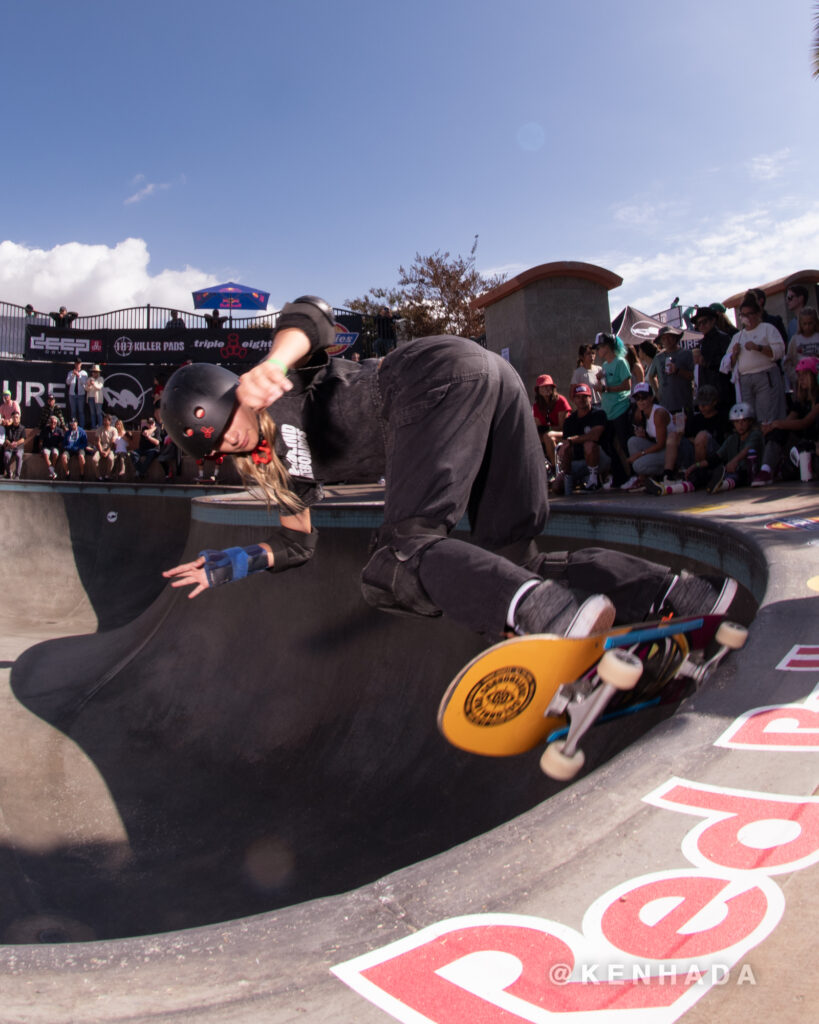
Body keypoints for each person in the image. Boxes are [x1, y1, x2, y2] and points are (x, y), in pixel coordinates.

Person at [160, 296, 738, 640]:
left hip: (433, 376)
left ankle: (550, 620)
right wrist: (237, 560)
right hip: (489, 391)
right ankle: (674, 595)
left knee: (399, 558)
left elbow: (313, 314)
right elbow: (298, 547)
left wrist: (276, 359)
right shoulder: (278, 474)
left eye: (227, 427)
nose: (233, 445)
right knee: (513, 560)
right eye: (220, 451)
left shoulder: (283, 382)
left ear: (233, 394)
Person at [755, 357, 819, 486]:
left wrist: (777, 423)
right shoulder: (801, 400)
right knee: (778, 430)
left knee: (779, 426)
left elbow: (805, 422)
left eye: (805, 374)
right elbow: (789, 421)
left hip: (815, 443)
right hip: (802, 442)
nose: (801, 379)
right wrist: (772, 426)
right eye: (799, 375)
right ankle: (766, 470)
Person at [727, 295, 786, 426]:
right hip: (745, 380)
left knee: (767, 416)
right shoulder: (737, 336)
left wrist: (758, 347)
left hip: (765, 376)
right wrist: (734, 355)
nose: (746, 318)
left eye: (749, 314)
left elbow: (779, 351)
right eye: (743, 315)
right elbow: (728, 364)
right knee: (750, 417)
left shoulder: (767, 328)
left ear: (758, 313)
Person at [554, 383, 610, 493]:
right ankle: (569, 482)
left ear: (590, 398)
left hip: (599, 459)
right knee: (557, 487)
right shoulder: (570, 420)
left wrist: (572, 440)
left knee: (589, 444)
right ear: (573, 399)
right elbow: (566, 443)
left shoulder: (599, 413)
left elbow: (595, 435)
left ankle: (594, 482)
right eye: (578, 397)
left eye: (584, 396)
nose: (581, 400)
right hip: (579, 461)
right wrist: (565, 446)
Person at [594, 333, 632, 487]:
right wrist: (600, 381)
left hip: (620, 408)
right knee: (610, 444)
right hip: (608, 411)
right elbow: (604, 386)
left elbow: (626, 386)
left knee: (624, 444)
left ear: (607, 347)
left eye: (599, 347)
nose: (597, 351)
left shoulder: (620, 362)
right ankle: (619, 477)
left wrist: (606, 388)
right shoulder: (604, 366)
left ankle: (633, 476)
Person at [706, 403, 764, 494]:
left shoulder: (755, 434)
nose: (740, 425)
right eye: (737, 422)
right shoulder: (732, 439)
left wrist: (734, 461)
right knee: (705, 473)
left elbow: (747, 449)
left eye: (743, 421)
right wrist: (696, 466)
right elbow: (717, 456)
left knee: (738, 476)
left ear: (750, 421)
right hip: (731, 472)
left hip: (750, 472)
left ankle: (721, 486)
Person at [621, 382, 669, 491]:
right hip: (660, 448)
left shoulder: (658, 413)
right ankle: (642, 478)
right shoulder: (643, 413)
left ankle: (663, 473)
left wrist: (639, 454)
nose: (641, 401)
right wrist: (644, 436)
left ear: (651, 398)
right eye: (637, 398)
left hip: (670, 450)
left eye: (644, 397)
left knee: (637, 465)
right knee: (633, 441)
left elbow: (661, 444)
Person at [646, 326, 694, 435]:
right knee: (670, 436)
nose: (667, 340)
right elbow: (651, 376)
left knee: (683, 435)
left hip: (683, 404)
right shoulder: (658, 357)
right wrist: (657, 392)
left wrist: (677, 371)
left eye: (670, 337)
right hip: (665, 405)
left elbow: (692, 376)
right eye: (664, 338)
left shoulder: (686, 354)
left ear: (676, 338)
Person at [691, 306, 733, 410]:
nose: (701, 326)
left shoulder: (723, 338)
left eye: (704, 322)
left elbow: (727, 363)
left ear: (713, 320)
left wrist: (705, 362)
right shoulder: (702, 342)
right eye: (698, 324)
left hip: (720, 390)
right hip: (706, 391)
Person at [532, 374, 571, 469]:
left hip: (565, 434)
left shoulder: (561, 401)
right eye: (543, 387)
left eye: (548, 386)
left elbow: (563, 426)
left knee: (548, 436)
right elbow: (538, 427)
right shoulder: (536, 406)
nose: (546, 389)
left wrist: (548, 428)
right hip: (547, 434)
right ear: (538, 390)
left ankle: (556, 468)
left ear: (553, 388)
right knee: (532, 439)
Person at [784, 306, 819, 392]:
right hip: (801, 383)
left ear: (815, 322)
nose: (807, 327)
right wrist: (797, 377)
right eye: (804, 324)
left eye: (810, 323)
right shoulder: (795, 340)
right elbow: (788, 362)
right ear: (800, 324)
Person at [92, 414, 118, 480]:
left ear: (110, 422)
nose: (105, 422)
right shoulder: (99, 429)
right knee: (94, 459)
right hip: (101, 448)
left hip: (110, 448)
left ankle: (108, 475)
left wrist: (107, 452)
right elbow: (98, 442)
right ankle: (98, 476)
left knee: (111, 459)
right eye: (104, 420)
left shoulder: (114, 430)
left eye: (106, 421)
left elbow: (112, 443)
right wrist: (101, 451)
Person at [40, 414, 65, 480]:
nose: (53, 424)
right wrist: (40, 449)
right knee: (45, 454)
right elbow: (41, 441)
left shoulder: (60, 431)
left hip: (55, 447)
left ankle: (52, 472)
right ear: (49, 422)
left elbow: (61, 442)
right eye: (51, 422)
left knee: (55, 453)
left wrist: (61, 450)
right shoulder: (45, 429)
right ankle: (53, 472)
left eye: (54, 423)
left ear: (57, 423)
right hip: (46, 447)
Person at [3, 411, 26, 479]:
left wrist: (16, 443)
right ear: (12, 418)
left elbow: (23, 439)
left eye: (17, 417)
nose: (16, 419)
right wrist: (10, 444)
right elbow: (6, 439)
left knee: (19, 456)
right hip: (10, 447)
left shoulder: (22, 428)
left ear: (19, 418)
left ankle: (17, 475)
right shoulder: (8, 428)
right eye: (14, 417)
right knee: (6, 456)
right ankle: (9, 473)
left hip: (19, 447)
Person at [65, 359, 88, 427]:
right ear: (75, 364)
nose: (78, 365)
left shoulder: (84, 373)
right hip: (72, 394)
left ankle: (82, 427)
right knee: (73, 412)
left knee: (81, 411)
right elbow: (68, 382)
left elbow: (84, 383)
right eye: (76, 363)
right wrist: (73, 375)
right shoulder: (70, 372)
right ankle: (73, 426)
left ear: (81, 364)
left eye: (79, 363)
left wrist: (79, 376)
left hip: (81, 394)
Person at [85, 365, 105, 430]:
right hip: (90, 398)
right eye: (93, 372)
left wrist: (94, 383)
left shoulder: (101, 379)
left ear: (98, 372)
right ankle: (93, 427)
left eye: (96, 372)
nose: (94, 373)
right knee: (92, 414)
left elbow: (99, 387)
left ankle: (100, 427)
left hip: (98, 399)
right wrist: (89, 385)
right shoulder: (89, 379)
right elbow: (86, 389)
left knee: (99, 413)